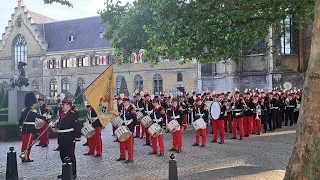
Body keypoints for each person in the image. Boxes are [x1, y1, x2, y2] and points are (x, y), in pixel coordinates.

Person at [57, 98, 81, 179]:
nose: (62, 106)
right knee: (62, 155)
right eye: (62, 105)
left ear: (69, 105)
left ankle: (73, 173)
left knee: (70, 155)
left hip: (69, 137)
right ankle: (65, 171)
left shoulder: (72, 114)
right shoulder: (61, 114)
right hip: (61, 137)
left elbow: (77, 126)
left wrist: (77, 137)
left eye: (63, 105)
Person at [19, 92, 47, 162]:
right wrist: (46, 118)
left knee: (24, 144)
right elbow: (39, 116)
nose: (35, 105)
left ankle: (23, 156)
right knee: (28, 144)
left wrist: (20, 127)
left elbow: (20, 120)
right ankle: (26, 158)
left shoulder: (24, 111)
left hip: (24, 129)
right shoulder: (31, 112)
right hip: (30, 130)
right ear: (31, 104)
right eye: (34, 104)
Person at [116, 96, 137, 163]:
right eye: (123, 102)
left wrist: (132, 129)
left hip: (129, 128)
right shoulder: (123, 109)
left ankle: (130, 158)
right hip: (123, 128)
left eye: (125, 102)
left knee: (129, 144)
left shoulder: (132, 109)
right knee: (122, 142)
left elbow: (135, 120)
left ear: (128, 102)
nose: (124, 103)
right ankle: (122, 156)